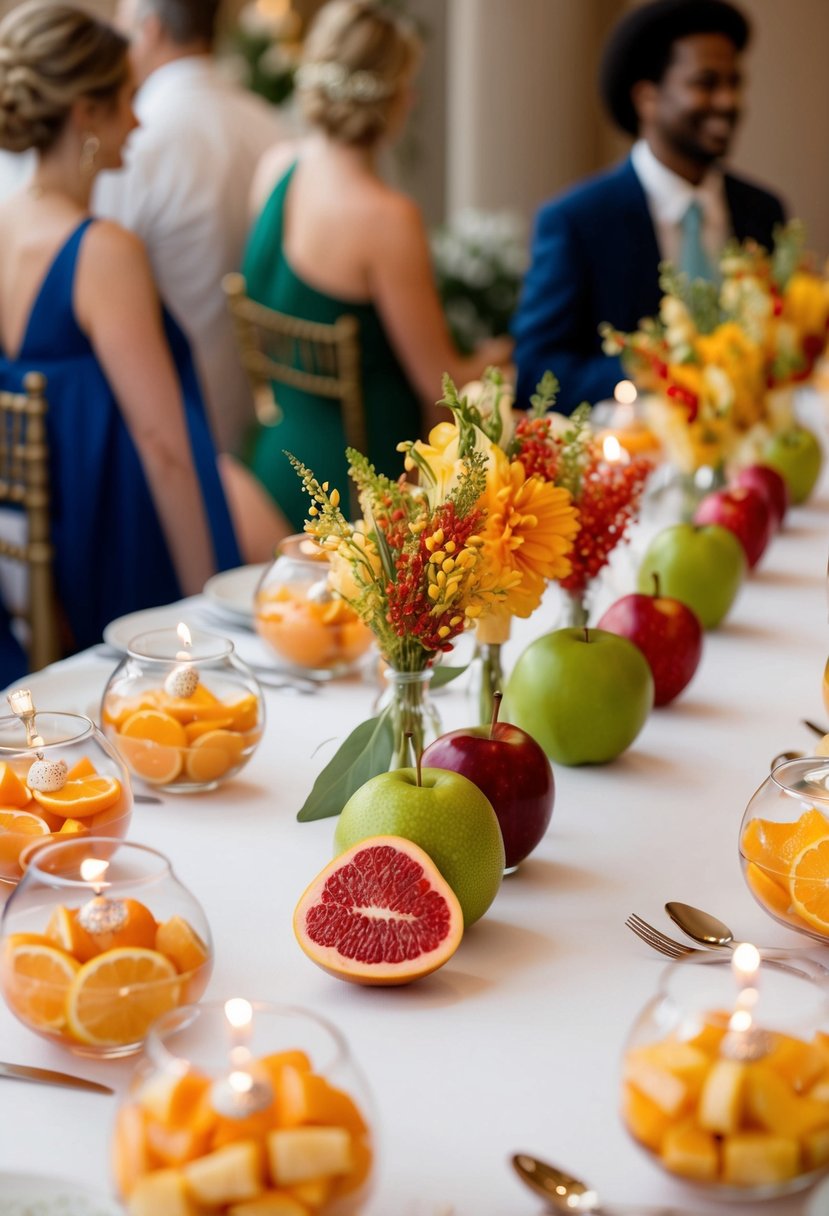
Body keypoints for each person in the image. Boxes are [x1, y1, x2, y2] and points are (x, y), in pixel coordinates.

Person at [0, 1, 241, 655]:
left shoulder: (7, 224)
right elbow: (164, 448)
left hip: (24, 554)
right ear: (85, 112)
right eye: (127, 99)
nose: (138, 121)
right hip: (108, 545)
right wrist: (202, 608)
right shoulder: (103, 251)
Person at [243, 0, 513, 533]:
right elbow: (442, 383)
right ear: (394, 98)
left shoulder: (277, 167)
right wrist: (501, 356)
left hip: (273, 457)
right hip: (357, 485)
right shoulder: (386, 218)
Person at [512, 0, 786, 414]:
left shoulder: (763, 212)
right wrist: (648, 370)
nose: (728, 101)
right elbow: (536, 371)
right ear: (647, 98)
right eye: (706, 83)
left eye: (735, 82)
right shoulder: (578, 221)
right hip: (633, 460)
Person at [94, 0, 288, 454]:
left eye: (123, 24)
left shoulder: (134, 137)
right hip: (260, 417)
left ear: (152, 30)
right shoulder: (270, 124)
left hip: (159, 419)